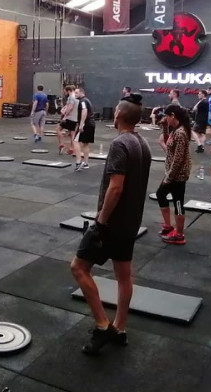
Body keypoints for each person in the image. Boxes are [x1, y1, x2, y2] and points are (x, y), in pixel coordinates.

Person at [70, 93, 151, 355]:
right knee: (124, 275)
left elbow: (116, 187)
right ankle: (120, 328)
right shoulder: (143, 144)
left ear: (117, 115)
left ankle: (103, 325)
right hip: (131, 223)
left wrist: (101, 220)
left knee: (79, 268)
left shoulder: (119, 144)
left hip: (112, 224)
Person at [155, 105, 192, 245]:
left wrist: (169, 177)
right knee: (162, 195)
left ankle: (179, 234)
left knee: (177, 202)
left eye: (167, 116)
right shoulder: (176, 130)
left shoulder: (181, 133)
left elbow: (179, 158)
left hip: (178, 174)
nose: (165, 118)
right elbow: (167, 143)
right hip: (173, 172)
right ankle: (168, 226)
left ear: (173, 115)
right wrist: (165, 127)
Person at [73, 86, 95, 171]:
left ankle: (78, 162)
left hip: (86, 124)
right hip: (91, 124)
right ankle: (86, 163)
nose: (75, 94)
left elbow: (84, 110)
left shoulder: (83, 101)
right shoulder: (86, 100)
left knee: (75, 141)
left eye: (76, 93)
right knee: (85, 143)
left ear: (81, 93)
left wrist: (81, 124)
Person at [58, 85, 78, 155]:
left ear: (68, 91)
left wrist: (65, 115)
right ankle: (71, 148)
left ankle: (61, 144)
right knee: (72, 133)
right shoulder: (77, 97)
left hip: (69, 117)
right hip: (75, 118)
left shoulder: (71, 97)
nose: (65, 93)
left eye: (65, 92)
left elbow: (70, 107)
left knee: (58, 129)